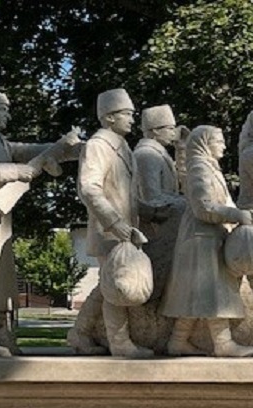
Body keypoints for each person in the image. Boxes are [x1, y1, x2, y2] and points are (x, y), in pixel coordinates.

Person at [0, 89, 77, 357]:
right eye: (2, 108)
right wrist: (17, 171)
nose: (7, 114)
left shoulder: (2, 143)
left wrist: (71, 148)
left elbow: (35, 150)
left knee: (0, 277)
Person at [160, 126, 253, 357]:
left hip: (209, 236)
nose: (224, 146)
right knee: (212, 294)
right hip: (201, 238)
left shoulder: (208, 168)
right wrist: (237, 215)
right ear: (205, 143)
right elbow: (203, 207)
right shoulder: (199, 168)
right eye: (218, 141)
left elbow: (224, 201)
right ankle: (223, 344)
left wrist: (246, 215)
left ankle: (178, 341)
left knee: (196, 295)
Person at [75, 88, 153, 358]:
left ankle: (80, 333)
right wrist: (114, 222)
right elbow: (89, 188)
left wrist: (153, 209)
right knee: (116, 287)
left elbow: (127, 194)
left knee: (105, 286)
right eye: (127, 114)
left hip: (124, 230)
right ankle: (120, 344)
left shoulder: (121, 146)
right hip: (109, 231)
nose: (132, 119)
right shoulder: (97, 145)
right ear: (109, 117)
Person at [132, 104, 187, 238]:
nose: (174, 133)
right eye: (170, 129)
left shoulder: (160, 153)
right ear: (155, 131)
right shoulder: (146, 154)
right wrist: (185, 202)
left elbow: (182, 182)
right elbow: (151, 198)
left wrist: (182, 149)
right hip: (154, 228)